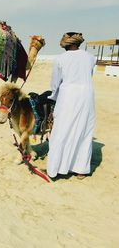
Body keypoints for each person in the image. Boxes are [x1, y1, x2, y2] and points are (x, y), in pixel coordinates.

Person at [47, 32, 96, 179]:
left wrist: (52, 98)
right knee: (84, 130)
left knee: (61, 131)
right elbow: (88, 76)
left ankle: (54, 170)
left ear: (66, 44)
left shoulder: (60, 59)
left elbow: (56, 84)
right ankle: (81, 170)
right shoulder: (90, 57)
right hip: (87, 95)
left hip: (68, 96)